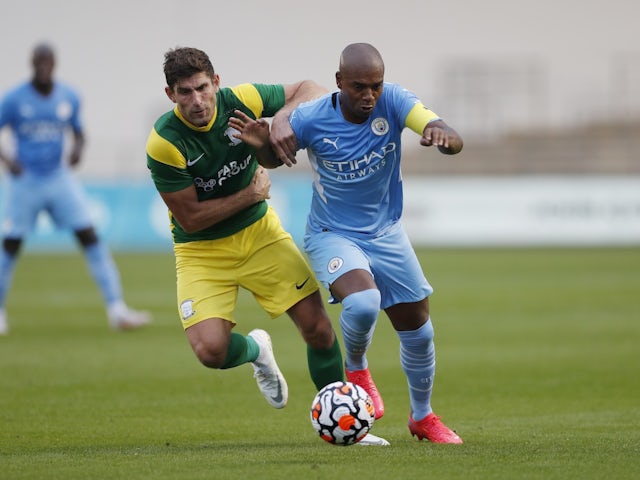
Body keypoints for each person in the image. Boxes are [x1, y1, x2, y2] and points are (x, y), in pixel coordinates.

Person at [145, 46, 389, 446]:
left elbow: (310, 88)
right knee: (211, 352)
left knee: (318, 330)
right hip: (202, 251)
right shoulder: (165, 142)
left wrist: (280, 121)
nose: (197, 101)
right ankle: (257, 350)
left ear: (216, 83)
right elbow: (191, 218)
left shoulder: (242, 100)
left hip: (260, 235)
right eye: (185, 92)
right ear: (171, 95)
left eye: (203, 88)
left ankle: (349, 428)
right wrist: (249, 195)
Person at [230, 42, 464, 444]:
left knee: (420, 332)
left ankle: (422, 418)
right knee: (362, 301)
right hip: (332, 234)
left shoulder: (394, 101)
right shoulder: (311, 117)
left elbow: (444, 132)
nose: (369, 95)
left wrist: (441, 133)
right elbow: (274, 157)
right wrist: (262, 144)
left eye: (375, 85)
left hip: (387, 232)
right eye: (359, 86)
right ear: (339, 83)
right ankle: (357, 372)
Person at [0, 43, 151, 335]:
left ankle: (117, 309)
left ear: (54, 64)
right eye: (38, 62)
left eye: (48, 62)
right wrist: (8, 160)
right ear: (32, 64)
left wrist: (78, 150)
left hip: (59, 177)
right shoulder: (15, 99)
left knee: (90, 236)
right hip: (26, 180)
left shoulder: (67, 97)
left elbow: (79, 133)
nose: (43, 67)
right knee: (11, 244)